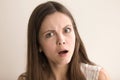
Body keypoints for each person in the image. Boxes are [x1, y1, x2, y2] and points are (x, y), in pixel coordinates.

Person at [18, 1, 110, 80]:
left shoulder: (98, 77)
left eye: (67, 30)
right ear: (38, 45)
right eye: (49, 34)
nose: (61, 40)